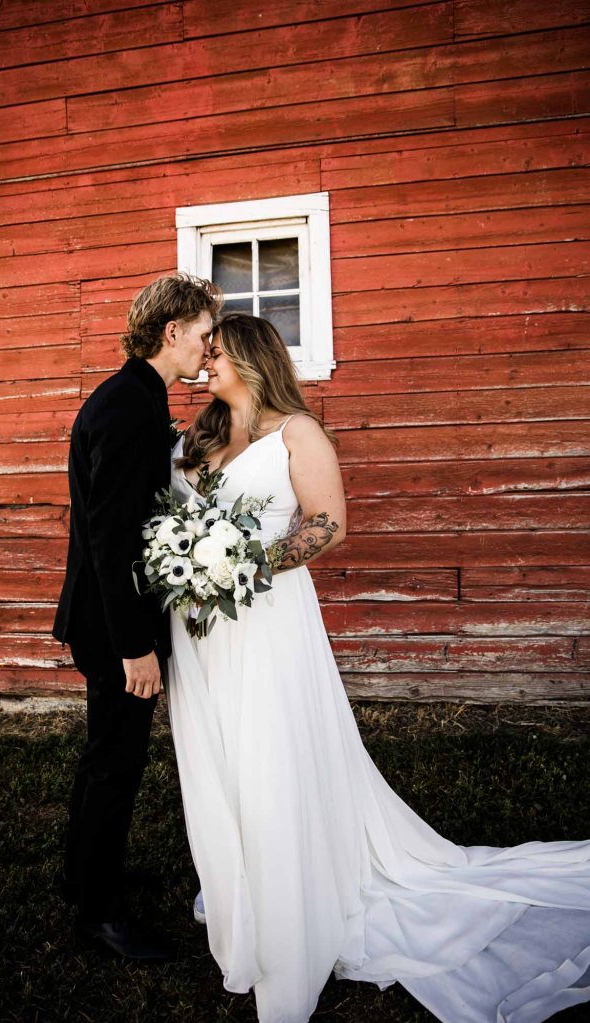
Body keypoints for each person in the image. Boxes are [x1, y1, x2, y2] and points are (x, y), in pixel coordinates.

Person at [166, 312, 590, 1022]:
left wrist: (246, 565)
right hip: (202, 634)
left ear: (251, 357)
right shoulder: (196, 439)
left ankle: (294, 891)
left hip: (265, 621)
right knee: (221, 759)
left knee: (271, 753)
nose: (206, 363)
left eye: (217, 353)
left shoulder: (296, 432)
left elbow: (327, 523)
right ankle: (243, 879)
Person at [52, 272, 222, 959]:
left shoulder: (139, 398)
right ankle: (98, 913)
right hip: (111, 626)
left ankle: (82, 873)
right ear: (171, 330)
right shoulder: (127, 409)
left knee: (105, 759)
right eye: (205, 334)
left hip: (108, 618)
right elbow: (110, 537)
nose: (210, 350)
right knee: (115, 765)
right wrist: (134, 646)